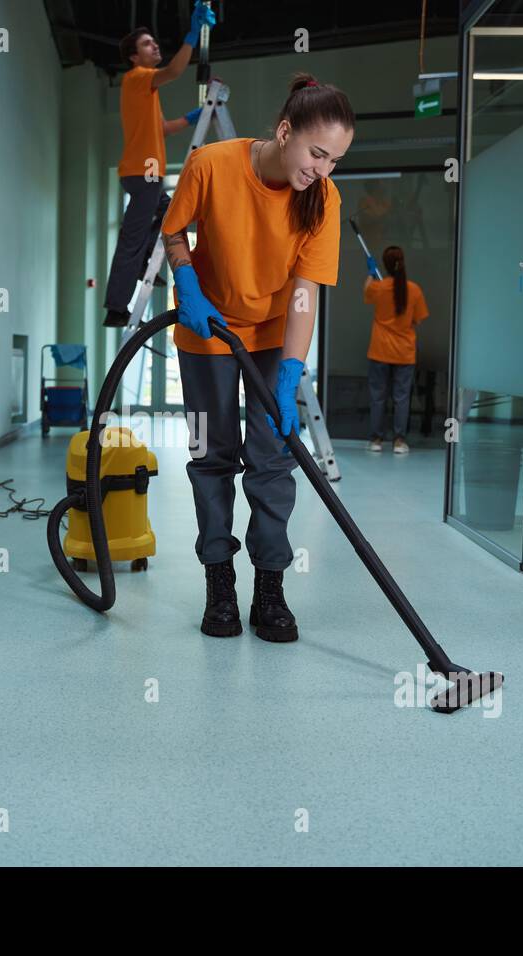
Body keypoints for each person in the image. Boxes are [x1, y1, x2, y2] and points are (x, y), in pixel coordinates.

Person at [161, 74, 354, 642]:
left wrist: (291, 370)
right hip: (206, 332)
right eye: (317, 153)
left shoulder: (323, 200)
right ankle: (219, 581)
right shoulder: (211, 165)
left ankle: (270, 585)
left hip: (272, 338)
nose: (322, 170)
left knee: (271, 462)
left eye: (335, 160)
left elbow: (304, 291)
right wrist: (187, 281)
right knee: (210, 456)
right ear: (285, 130)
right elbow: (175, 233)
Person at [102, 2, 217, 328]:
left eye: (154, 42)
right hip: (143, 173)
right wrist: (192, 35)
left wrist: (193, 118)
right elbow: (175, 72)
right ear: (134, 57)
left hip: (144, 174)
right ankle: (116, 308)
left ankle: (139, 269)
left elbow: (163, 128)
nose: (154, 46)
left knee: (170, 216)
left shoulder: (144, 91)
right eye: (147, 44)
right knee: (133, 240)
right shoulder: (138, 78)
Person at [363, 246, 428, 454]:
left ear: (385, 264)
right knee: (401, 398)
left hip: (380, 349)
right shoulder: (415, 290)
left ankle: (376, 440)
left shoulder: (379, 287)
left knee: (378, 396)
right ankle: (399, 441)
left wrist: (371, 274)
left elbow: (366, 293)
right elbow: (418, 319)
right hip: (404, 352)